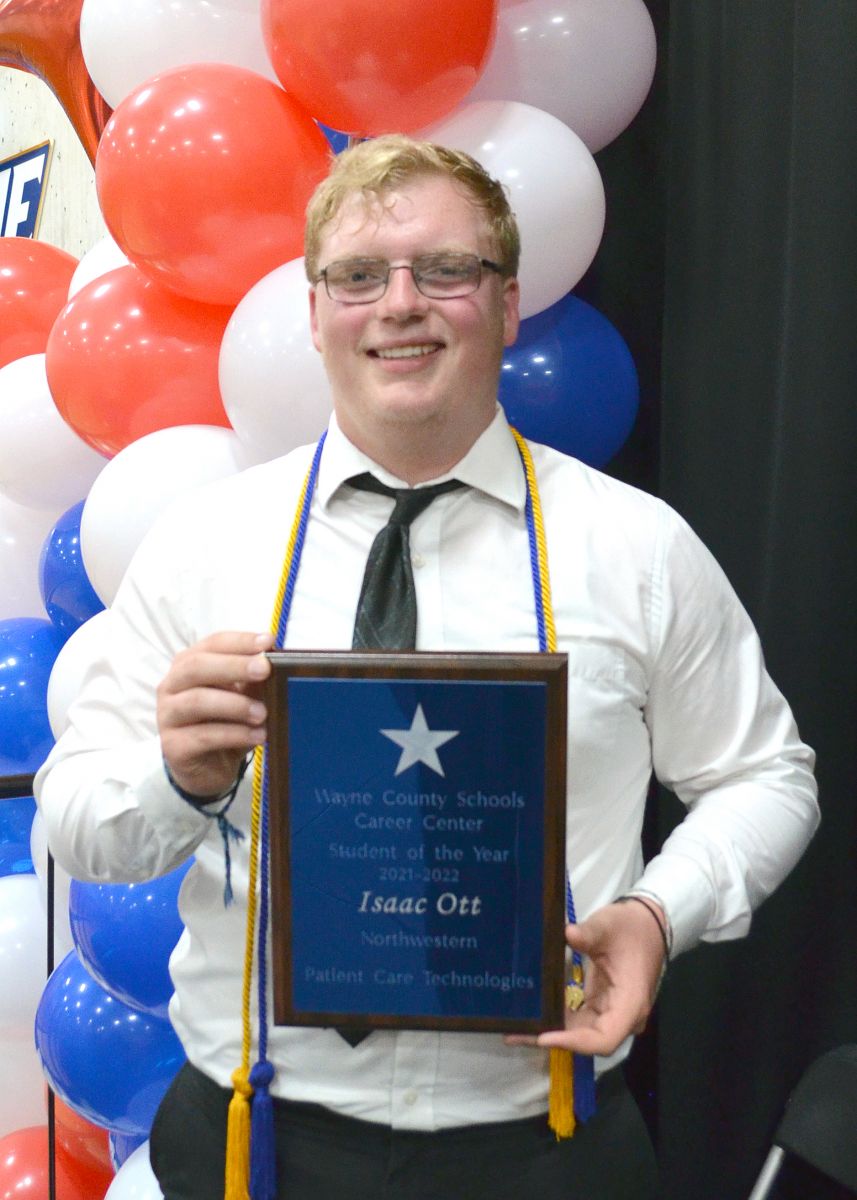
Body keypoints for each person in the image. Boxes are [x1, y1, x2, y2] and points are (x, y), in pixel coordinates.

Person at [35, 135, 818, 1200]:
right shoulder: (202, 544)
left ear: (502, 306)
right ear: (314, 315)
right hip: (253, 1144)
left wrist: (656, 912)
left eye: (444, 270)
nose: (398, 303)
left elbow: (766, 775)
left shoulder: (635, 548)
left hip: (545, 1143)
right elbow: (75, 819)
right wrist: (178, 777)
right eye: (357, 275)